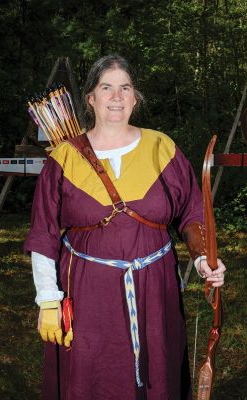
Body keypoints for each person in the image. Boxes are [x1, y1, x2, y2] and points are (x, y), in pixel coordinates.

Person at [24, 54, 226, 400]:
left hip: (155, 289)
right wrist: (48, 300)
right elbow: (43, 234)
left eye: (125, 88)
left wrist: (202, 257)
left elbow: (191, 213)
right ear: (91, 98)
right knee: (90, 378)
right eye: (106, 88)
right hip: (88, 295)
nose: (116, 97)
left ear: (135, 97)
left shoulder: (162, 148)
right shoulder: (65, 158)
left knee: (157, 376)